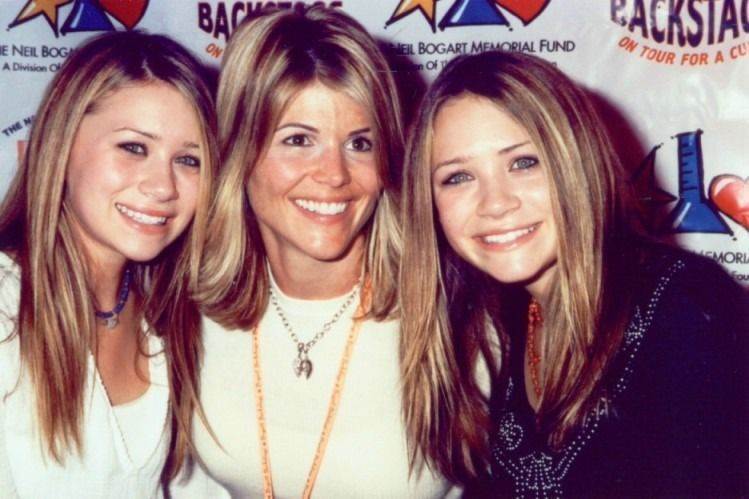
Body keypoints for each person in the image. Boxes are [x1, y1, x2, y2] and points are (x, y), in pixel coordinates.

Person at [400, 50, 748, 497]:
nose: (495, 203)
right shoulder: (506, 316)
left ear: (576, 163)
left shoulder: (685, 305)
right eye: (458, 177)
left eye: (523, 163)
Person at [189, 6, 453, 498]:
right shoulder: (184, 309)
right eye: (298, 139)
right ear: (239, 151)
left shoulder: (451, 310)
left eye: (359, 143)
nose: (334, 174)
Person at [0, 31, 218, 497]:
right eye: (133, 148)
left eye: (188, 160)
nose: (163, 186)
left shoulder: (172, 316)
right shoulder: (5, 308)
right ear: (61, 143)